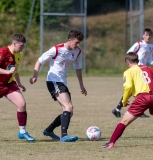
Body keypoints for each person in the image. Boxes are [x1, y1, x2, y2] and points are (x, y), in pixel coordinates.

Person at [30, 29, 87, 142]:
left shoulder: (78, 52)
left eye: (80, 42)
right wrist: (34, 75)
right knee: (68, 107)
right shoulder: (57, 49)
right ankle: (64, 136)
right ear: (69, 40)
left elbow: (78, 68)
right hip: (53, 80)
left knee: (69, 112)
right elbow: (39, 61)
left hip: (62, 81)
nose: (78, 45)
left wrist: (81, 85)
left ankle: (49, 130)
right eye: (76, 42)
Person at [102, 52, 153, 148]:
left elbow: (128, 87)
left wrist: (124, 101)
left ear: (127, 62)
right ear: (138, 61)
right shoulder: (149, 69)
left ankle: (111, 143)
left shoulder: (128, 72)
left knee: (124, 121)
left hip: (142, 98)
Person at [0, 33, 35, 142]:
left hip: (9, 83)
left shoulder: (18, 54)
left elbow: (15, 70)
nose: (23, 48)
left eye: (24, 46)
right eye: (21, 46)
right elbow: (8, 70)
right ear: (14, 43)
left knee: (22, 104)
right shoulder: (3, 52)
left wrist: (19, 83)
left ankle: (22, 132)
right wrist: (7, 72)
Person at [112, 28, 153, 118]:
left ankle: (117, 109)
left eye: (149, 35)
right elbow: (129, 53)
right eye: (146, 35)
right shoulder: (138, 44)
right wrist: (134, 62)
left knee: (135, 91)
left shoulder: (150, 46)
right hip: (137, 70)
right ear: (143, 35)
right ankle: (138, 110)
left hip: (143, 70)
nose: (148, 36)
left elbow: (149, 59)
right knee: (137, 90)